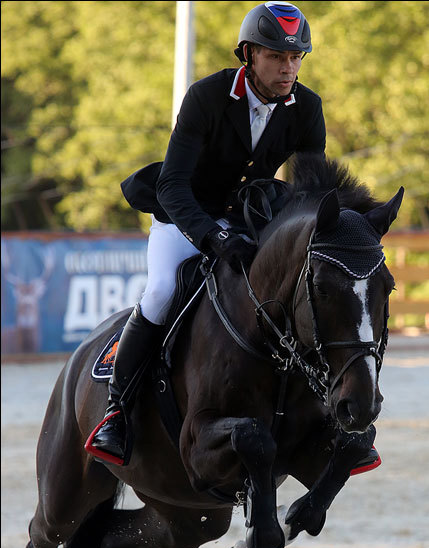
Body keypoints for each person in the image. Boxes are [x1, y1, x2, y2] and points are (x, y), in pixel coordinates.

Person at [87, 1, 380, 475]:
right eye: (277, 57)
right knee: (162, 292)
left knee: (299, 295)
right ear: (248, 54)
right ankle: (116, 413)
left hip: (251, 220)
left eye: (296, 58)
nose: (289, 68)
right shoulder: (207, 96)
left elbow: (311, 190)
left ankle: (328, 415)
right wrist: (211, 238)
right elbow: (172, 184)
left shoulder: (307, 107)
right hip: (185, 216)